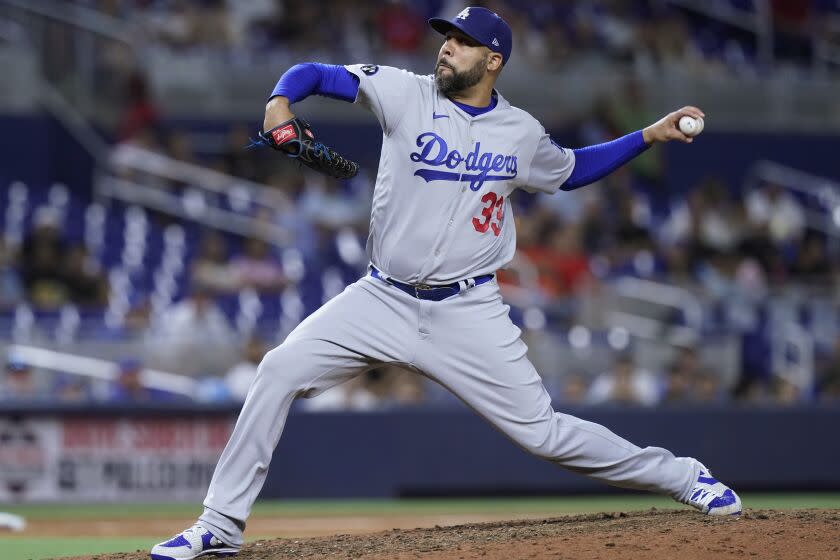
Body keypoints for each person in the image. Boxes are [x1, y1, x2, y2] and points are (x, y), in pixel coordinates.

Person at [151, 7, 740, 560]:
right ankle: (219, 527)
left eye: (462, 43)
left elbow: (572, 170)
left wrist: (648, 136)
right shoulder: (404, 93)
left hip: (468, 308)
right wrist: (280, 101)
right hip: (382, 297)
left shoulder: (519, 132)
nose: (447, 48)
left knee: (545, 434)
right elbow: (318, 74)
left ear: (493, 61)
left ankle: (687, 477)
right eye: (446, 38)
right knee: (277, 371)